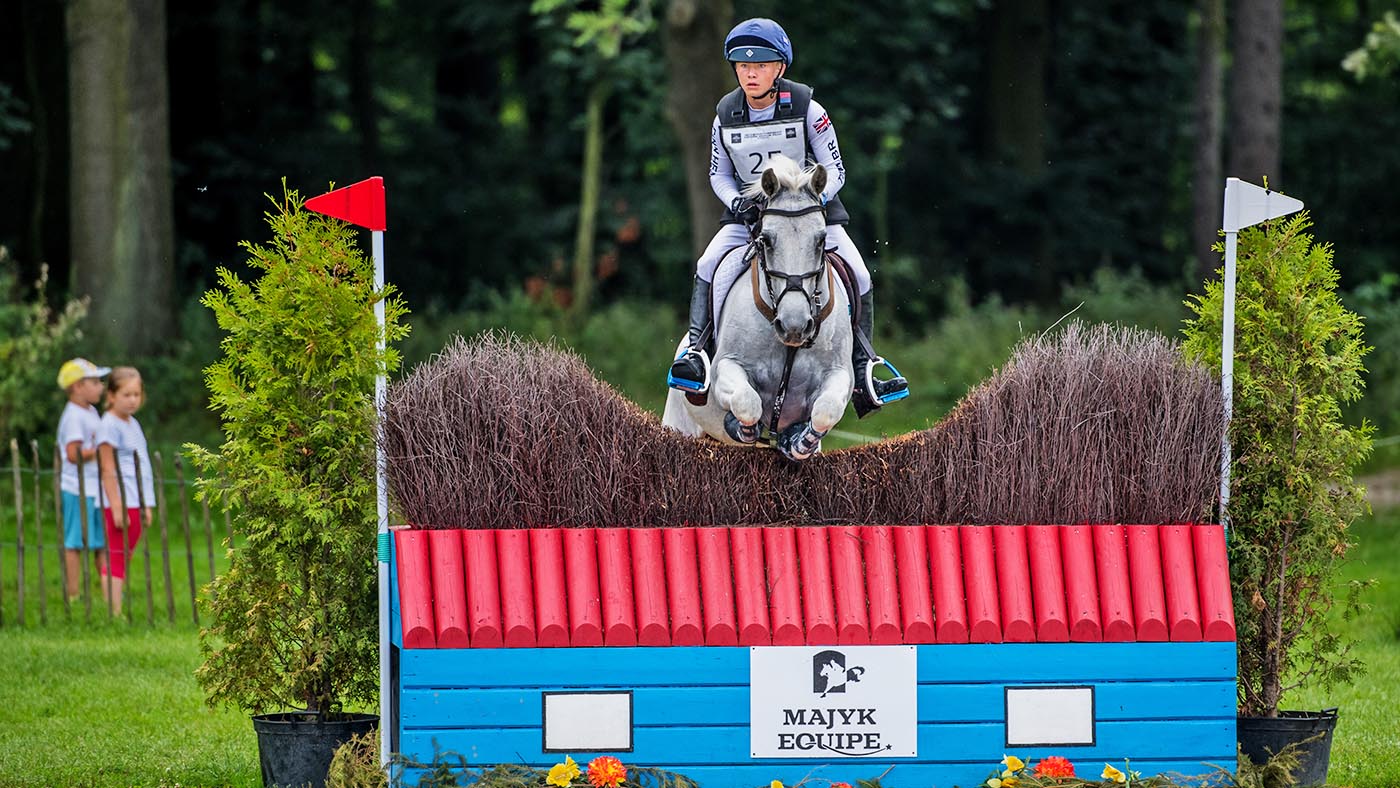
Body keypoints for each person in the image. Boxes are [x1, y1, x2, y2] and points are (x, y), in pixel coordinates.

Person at [666, 17, 909, 417]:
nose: (750, 73)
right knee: (709, 264)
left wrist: (812, 200)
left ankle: (865, 369)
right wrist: (739, 202)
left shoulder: (809, 110)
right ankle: (697, 354)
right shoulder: (724, 115)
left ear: (779, 68)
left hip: (812, 215)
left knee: (861, 275)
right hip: (750, 219)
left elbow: (836, 168)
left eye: (760, 65)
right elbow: (718, 174)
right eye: (743, 66)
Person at [96, 367, 155, 615]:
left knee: (124, 554)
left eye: (136, 394)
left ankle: (113, 601)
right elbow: (107, 468)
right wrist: (116, 504)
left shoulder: (133, 423)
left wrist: (146, 505)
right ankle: (114, 613)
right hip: (120, 501)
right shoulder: (108, 425)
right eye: (126, 394)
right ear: (111, 396)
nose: (132, 400)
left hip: (136, 499)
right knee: (118, 556)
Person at [56, 358, 110, 602]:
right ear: (77, 387)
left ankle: (107, 590)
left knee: (100, 541)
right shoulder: (73, 416)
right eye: (95, 382)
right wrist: (99, 452)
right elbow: (72, 453)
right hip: (77, 488)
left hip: (94, 488)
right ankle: (74, 595)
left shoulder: (90, 412)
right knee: (75, 542)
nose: (101, 386)